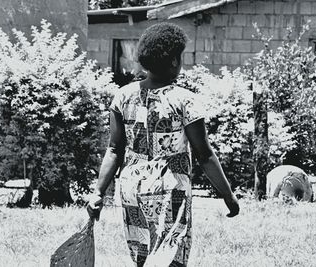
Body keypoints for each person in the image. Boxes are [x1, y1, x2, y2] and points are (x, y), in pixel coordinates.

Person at [87, 22, 240, 267]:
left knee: (143, 259)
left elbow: (114, 149)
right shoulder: (185, 101)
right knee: (171, 259)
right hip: (170, 190)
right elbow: (204, 155)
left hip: (130, 189)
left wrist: (97, 192)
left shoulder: (123, 96)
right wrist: (228, 196)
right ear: (172, 62)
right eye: (180, 57)